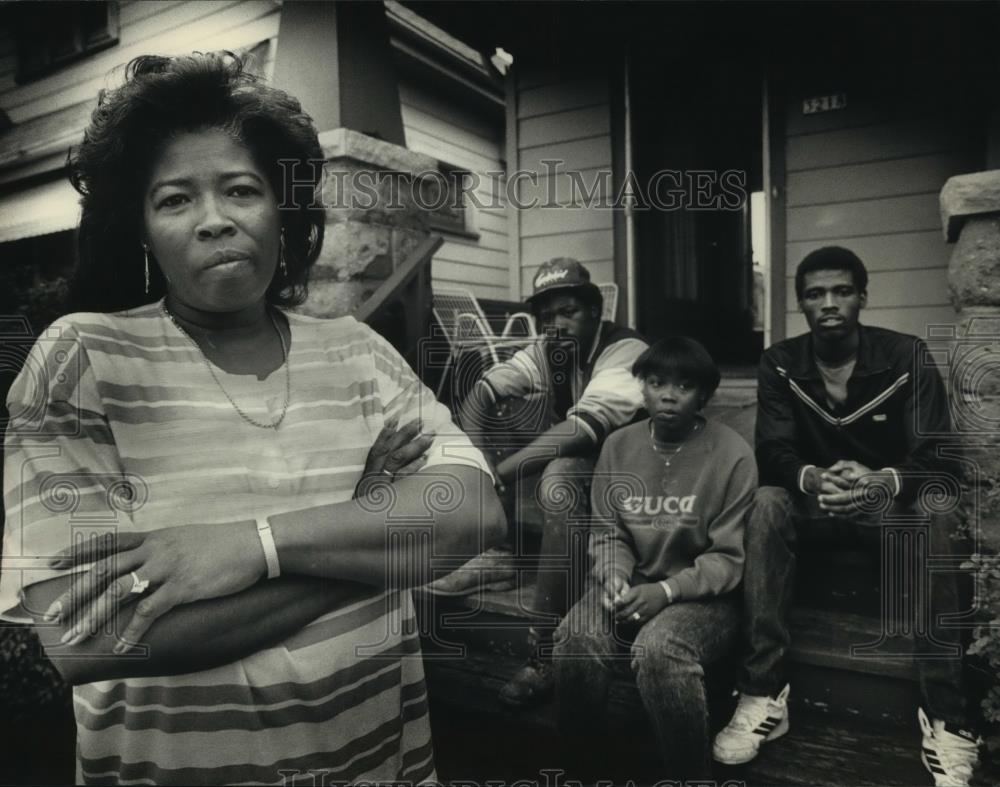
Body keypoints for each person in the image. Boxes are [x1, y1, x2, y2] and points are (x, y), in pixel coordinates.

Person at [0, 52, 505, 786]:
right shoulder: (83, 359)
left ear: (283, 210)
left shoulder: (360, 351)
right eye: (175, 200)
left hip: (378, 761)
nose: (214, 221)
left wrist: (252, 546)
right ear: (140, 226)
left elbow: (474, 510)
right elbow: (94, 635)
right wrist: (369, 541)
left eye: (242, 189)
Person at [711, 246, 980, 786]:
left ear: (862, 296)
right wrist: (813, 478)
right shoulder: (780, 362)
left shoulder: (906, 355)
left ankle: (948, 715)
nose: (828, 303)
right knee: (766, 503)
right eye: (815, 294)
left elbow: (938, 456)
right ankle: (764, 691)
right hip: (815, 502)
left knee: (937, 517)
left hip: (887, 508)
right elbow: (774, 452)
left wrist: (884, 483)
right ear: (801, 305)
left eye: (841, 291)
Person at [429, 257, 648, 708]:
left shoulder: (625, 349)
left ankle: (546, 649)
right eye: (546, 316)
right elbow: (483, 391)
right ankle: (495, 551)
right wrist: (475, 463)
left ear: (594, 311)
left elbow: (581, 431)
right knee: (504, 415)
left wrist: (499, 473)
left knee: (559, 477)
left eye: (567, 312)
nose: (555, 325)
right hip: (593, 463)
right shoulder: (549, 349)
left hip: (637, 478)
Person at [554, 336, 756, 781]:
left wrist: (666, 591)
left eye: (684, 386)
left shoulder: (732, 453)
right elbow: (608, 531)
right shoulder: (619, 447)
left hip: (705, 596)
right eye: (657, 382)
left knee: (660, 650)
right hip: (633, 581)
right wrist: (613, 578)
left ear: (704, 395)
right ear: (640, 388)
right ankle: (579, 770)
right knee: (576, 636)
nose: (668, 394)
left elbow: (728, 557)